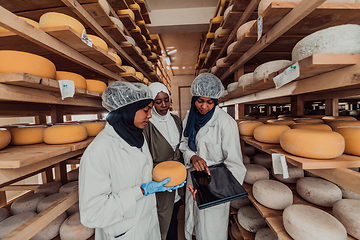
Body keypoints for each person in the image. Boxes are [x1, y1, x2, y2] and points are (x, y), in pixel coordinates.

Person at [79, 82, 184, 240]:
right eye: (146, 110)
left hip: (148, 227)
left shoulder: (137, 136)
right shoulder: (99, 151)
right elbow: (92, 214)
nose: (150, 115)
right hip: (124, 232)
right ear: (128, 110)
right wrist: (141, 191)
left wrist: (158, 183)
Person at [179, 73, 247, 240]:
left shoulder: (225, 123)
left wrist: (215, 191)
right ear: (194, 98)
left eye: (210, 102)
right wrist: (192, 156)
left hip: (215, 187)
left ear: (216, 101)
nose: (204, 106)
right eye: (200, 100)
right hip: (194, 180)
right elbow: (183, 144)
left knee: (211, 232)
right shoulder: (190, 118)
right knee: (195, 225)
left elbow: (235, 165)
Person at [143, 82, 184, 240]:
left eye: (166, 100)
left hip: (178, 183)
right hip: (159, 184)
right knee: (160, 223)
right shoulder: (147, 125)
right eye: (158, 101)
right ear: (151, 103)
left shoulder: (176, 121)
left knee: (173, 218)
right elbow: (144, 158)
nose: (163, 105)